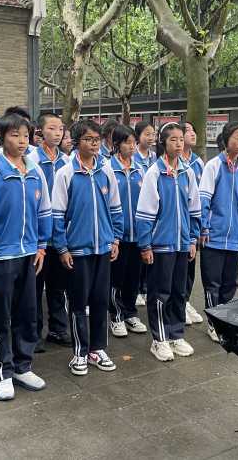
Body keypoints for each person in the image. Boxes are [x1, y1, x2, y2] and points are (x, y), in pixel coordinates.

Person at [0, 113, 52, 400]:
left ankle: (22, 365)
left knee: (27, 312)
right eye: (15, 135)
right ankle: (2, 371)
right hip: (1, 256)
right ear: (1, 137)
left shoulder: (36, 172)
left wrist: (41, 246)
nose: (22, 141)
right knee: (0, 316)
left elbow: (44, 211)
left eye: (26, 136)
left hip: (29, 254)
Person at [51, 119, 123, 376]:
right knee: (79, 302)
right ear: (76, 142)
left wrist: (115, 239)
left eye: (97, 140)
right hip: (78, 250)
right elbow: (57, 215)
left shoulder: (106, 171)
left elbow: (115, 208)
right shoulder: (66, 173)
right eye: (88, 139)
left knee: (100, 300)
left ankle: (97, 348)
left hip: (103, 248)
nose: (94, 144)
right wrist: (62, 248)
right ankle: (80, 352)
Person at [135, 122, 201, 362]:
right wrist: (145, 245)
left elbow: (194, 208)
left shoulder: (187, 172)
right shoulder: (155, 173)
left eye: (181, 139)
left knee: (178, 291)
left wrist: (192, 239)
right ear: (163, 142)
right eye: (173, 139)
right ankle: (160, 339)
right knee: (160, 293)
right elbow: (145, 213)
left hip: (182, 244)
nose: (179, 143)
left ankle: (176, 334)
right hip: (161, 244)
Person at [199, 122, 238, 342]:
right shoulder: (213, 166)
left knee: (230, 283)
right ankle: (213, 323)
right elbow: (204, 199)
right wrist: (204, 226)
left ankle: (225, 321)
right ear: (226, 139)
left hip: (234, 238)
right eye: (237, 137)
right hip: (213, 236)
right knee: (212, 283)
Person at [28, 113, 71, 350]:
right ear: (40, 131)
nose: (57, 133)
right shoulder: (31, 159)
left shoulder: (67, 161)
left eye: (61, 129)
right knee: (34, 288)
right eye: (52, 128)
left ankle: (58, 329)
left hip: (61, 233)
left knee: (58, 285)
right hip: (38, 234)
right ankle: (32, 334)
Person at [108, 125, 148, 337]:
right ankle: (116, 315)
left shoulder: (140, 170)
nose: (132, 147)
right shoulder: (108, 168)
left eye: (134, 142)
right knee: (117, 277)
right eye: (127, 142)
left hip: (137, 235)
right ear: (117, 144)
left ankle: (130, 312)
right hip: (117, 236)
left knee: (134, 276)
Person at [180, 121, 205, 325]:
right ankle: (178, 304)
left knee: (190, 264)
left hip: (193, 221)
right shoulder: (172, 162)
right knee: (178, 267)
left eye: (193, 130)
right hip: (177, 222)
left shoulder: (198, 162)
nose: (192, 133)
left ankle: (186, 301)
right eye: (187, 131)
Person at [132, 120, 157, 306]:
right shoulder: (133, 157)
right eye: (147, 134)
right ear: (138, 136)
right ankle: (138, 288)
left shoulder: (154, 157)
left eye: (153, 134)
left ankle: (146, 287)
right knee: (139, 252)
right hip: (138, 209)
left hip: (153, 210)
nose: (150, 137)